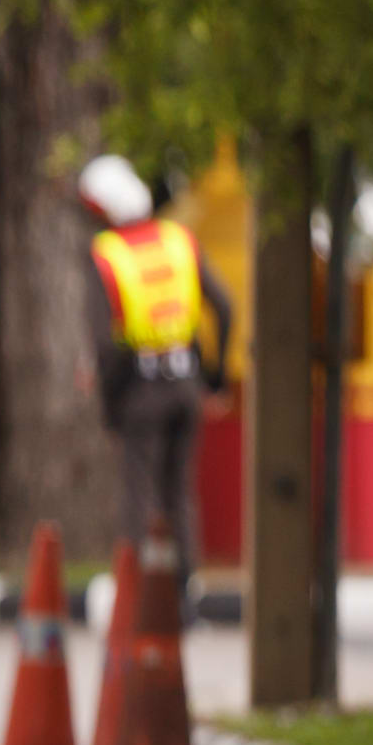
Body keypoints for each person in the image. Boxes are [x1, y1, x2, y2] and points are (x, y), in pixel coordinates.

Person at [80, 154, 236, 598]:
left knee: (139, 496)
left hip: (139, 391)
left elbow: (106, 346)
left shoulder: (107, 257)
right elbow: (225, 309)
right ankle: (185, 593)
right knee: (180, 493)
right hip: (186, 386)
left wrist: (110, 406)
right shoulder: (178, 240)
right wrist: (214, 378)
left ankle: (142, 597)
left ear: (100, 210)